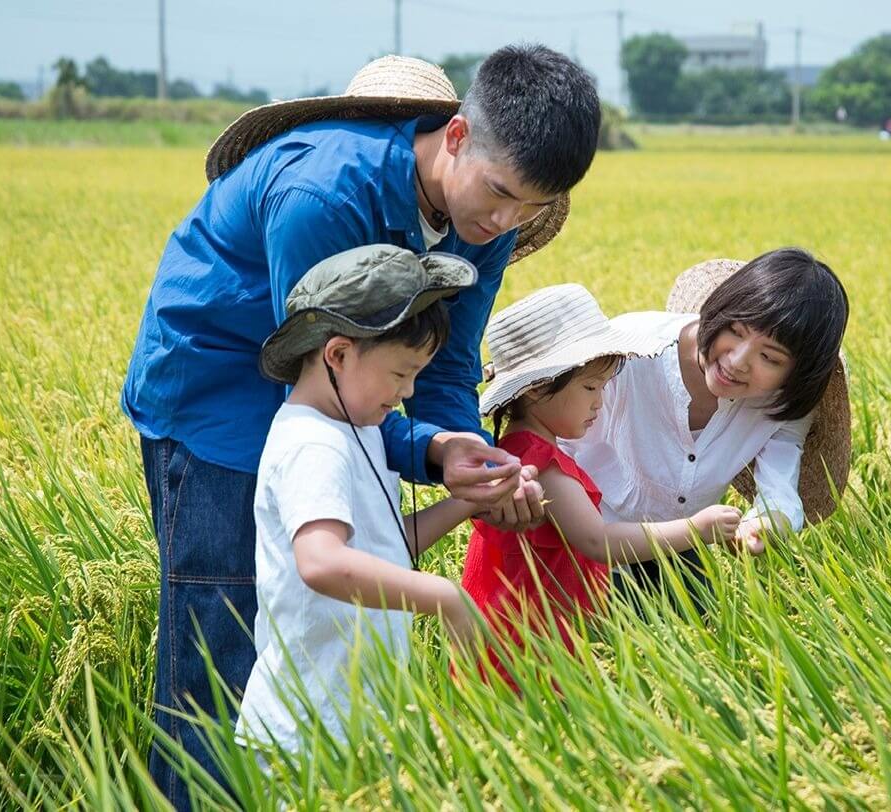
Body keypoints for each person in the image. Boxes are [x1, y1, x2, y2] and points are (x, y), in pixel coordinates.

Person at [121, 47, 599, 805]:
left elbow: (444, 363)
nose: (504, 222)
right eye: (500, 194)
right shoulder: (324, 196)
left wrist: (458, 452)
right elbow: (320, 379)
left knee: (314, 625)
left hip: (334, 391)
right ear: (456, 137)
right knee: (223, 639)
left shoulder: (489, 221)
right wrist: (429, 453)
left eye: (530, 210)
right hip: (217, 392)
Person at [237, 244, 487, 755]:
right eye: (400, 374)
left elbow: (384, 547)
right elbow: (322, 561)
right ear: (339, 354)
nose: (408, 391)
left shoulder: (359, 426)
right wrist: (442, 596)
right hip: (305, 734)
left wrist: (469, 501)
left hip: (357, 721)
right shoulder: (314, 443)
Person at [461, 284, 746, 689]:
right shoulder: (541, 465)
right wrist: (696, 529)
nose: (600, 402)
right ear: (539, 388)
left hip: (528, 624)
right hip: (527, 641)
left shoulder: (526, 450)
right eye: (591, 388)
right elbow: (598, 542)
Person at [562, 249, 850, 615]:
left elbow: (780, 494)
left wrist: (760, 526)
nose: (737, 361)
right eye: (736, 331)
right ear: (719, 310)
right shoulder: (628, 348)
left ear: (795, 374)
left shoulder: (780, 404)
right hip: (581, 541)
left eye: (770, 358)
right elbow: (552, 440)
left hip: (678, 550)